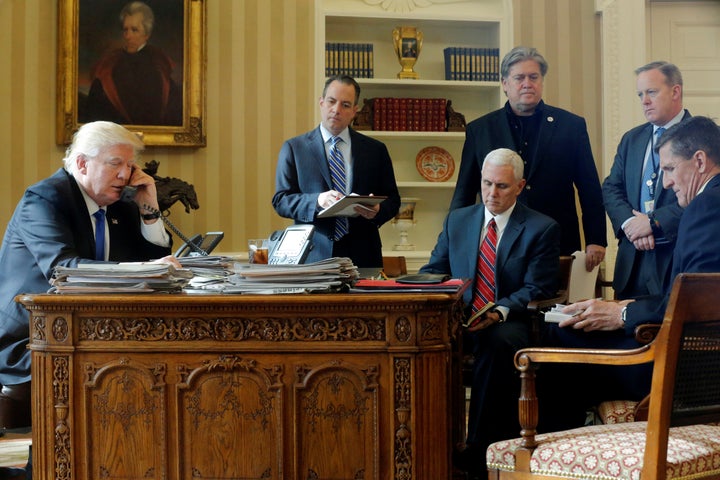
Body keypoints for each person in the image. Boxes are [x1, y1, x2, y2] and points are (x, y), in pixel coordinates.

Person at [538, 116, 720, 433]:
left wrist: (621, 312)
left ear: (700, 161)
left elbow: (696, 305)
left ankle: (557, 457)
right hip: (690, 351)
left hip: (689, 370)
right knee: (575, 325)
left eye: (669, 169)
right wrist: (622, 305)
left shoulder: (707, 207)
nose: (666, 183)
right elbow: (690, 294)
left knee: (561, 340)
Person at [0, 121, 180, 432]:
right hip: (30, 338)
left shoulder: (121, 206)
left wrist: (149, 209)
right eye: (115, 164)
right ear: (82, 163)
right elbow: (63, 269)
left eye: (129, 165)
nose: (125, 175)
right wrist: (142, 270)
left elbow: (151, 264)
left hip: (90, 329)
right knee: (119, 366)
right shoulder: (45, 200)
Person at [419, 148, 560, 480]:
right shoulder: (459, 220)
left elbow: (538, 287)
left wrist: (498, 311)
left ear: (520, 186)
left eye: (502, 186)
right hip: (460, 320)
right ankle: (428, 445)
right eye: (486, 184)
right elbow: (435, 270)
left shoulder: (542, 228)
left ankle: (477, 448)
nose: (492, 194)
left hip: (511, 322)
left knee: (495, 342)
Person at [450, 46, 606, 271]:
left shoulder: (571, 126)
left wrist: (596, 238)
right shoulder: (480, 129)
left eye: (534, 77)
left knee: (557, 305)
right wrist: (455, 240)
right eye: (519, 78)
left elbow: (589, 187)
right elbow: (464, 191)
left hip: (558, 239)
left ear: (541, 81)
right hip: (497, 242)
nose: (527, 83)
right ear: (505, 84)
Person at [272, 74, 401, 268]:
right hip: (311, 256)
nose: (336, 110)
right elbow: (281, 200)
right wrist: (317, 201)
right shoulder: (295, 148)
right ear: (321, 102)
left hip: (364, 255)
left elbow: (393, 200)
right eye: (331, 101)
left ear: (355, 111)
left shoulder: (375, 150)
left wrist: (378, 210)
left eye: (345, 105)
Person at [602, 61, 689, 299]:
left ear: (675, 91)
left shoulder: (702, 138)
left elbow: (708, 196)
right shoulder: (632, 139)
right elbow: (611, 188)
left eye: (651, 92)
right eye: (640, 94)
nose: (644, 101)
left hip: (674, 262)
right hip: (632, 264)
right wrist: (631, 224)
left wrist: (653, 222)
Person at [80, 1, 182, 126]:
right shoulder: (110, 63)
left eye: (134, 30)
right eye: (125, 30)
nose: (128, 36)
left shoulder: (159, 65)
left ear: (147, 34)